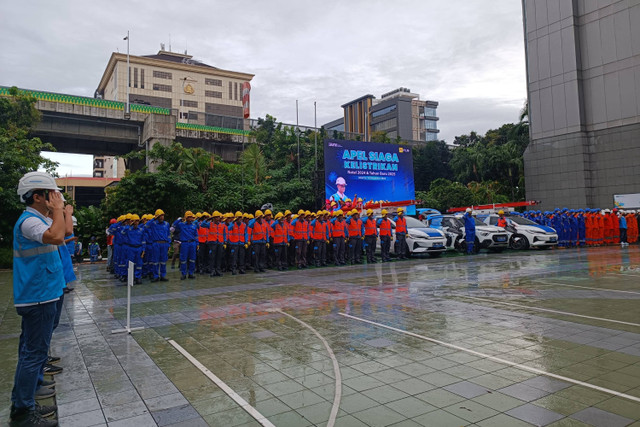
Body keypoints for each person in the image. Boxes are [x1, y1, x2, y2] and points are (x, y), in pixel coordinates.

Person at [11, 171, 66, 427]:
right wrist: (58, 210)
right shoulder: (29, 222)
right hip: (37, 296)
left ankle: (31, 391)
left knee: (33, 351)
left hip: (45, 293)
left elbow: (60, 233)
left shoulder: (38, 219)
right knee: (33, 354)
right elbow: (56, 237)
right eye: (51, 195)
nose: (55, 199)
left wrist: (58, 211)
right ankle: (22, 410)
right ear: (37, 196)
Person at [147, 209, 171, 282]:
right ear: (157, 217)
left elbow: (168, 234)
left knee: (163, 261)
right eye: (160, 216)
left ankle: (163, 275)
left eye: (162, 216)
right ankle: (156, 276)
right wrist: (153, 218)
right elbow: (146, 226)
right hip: (156, 243)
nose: (162, 217)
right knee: (155, 261)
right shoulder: (153, 223)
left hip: (164, 243)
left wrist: (169, 244)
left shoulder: (166, 224)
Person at [174, 211, 198, 279]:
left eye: (191, 217)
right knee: (183, 259)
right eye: (188, 217)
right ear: (186, 218)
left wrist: (197, 243)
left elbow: (196, 235)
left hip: (192, 243)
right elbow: (173, 226)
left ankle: (191, 273)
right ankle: (183, 274)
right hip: (184, 243)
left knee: (192, 259)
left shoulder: (194, 225)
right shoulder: (181, 225)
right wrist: (179, 219)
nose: (190, 218)